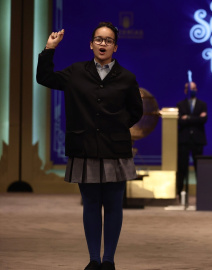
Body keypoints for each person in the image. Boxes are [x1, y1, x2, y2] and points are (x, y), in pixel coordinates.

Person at [36, 22, 143, 270]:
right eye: (98, 39)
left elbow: (136, 111)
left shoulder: (127, 78)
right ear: (91, 44)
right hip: (84, 147)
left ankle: (109, 261)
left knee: (114, 205)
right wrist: (49, 49)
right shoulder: (75, 72)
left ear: (115, 47)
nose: (102, 44)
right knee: (91, 204)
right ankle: (94, 259)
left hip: (115, 150)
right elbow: (44, 78)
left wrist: (116, 126)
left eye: (108, 40)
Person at [176, 81, 207, 198]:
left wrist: (187, 118)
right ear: (185, 91)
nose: (192, 91)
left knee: (199, 167)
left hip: (198, 140)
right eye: (190, 89)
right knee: (182, 168)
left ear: (197, 90)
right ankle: (179, 192)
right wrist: (197, 118)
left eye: (194, 88)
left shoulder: (202, 104)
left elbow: (204, 120)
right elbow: (180, 121)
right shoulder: (180, 104)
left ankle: (202, 194)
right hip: (184, 140)